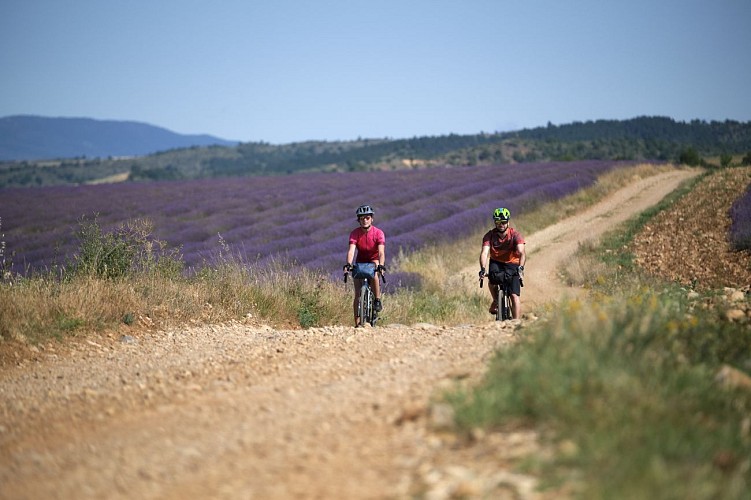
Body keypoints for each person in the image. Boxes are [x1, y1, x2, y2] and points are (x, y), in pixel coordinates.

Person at [479, 207, 526, 319]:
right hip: (497, 262)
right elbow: (484, 253)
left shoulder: (515, 235)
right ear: (495, 222)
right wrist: (482, 268)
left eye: (503, 222)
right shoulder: (489, 236)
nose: (501, 225)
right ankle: (496, 300)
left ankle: (516, 322)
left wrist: (521, 268)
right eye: (498, 222)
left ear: (508, 222)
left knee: (514, 296)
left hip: (513, 263)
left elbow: (521, 252)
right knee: (492, 280)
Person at [344, 205, 386, 327]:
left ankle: (377, 299)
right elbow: (351, 250)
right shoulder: (354, 233)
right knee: (357, 294)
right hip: (360, 261)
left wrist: (381, 265)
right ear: (359, 220)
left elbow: (381, 252)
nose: (365, 220)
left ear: (371, 219)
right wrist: (348, 264)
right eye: (362, 218)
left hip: (374, 260)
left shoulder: (378, 233)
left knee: (375, 271)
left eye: (367, 217)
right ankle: (357, 323)